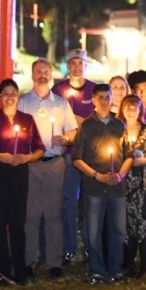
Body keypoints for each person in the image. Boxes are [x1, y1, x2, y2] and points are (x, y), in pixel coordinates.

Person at [0, 79, 45, 285]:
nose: (9, 97)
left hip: (19, 172)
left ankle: (20, 268)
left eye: (13, 93)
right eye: (5, 93)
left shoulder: (27, 120)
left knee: (17, 222)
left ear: (18, 96)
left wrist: (27, 158)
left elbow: (39, 148)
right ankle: (1, 271)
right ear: (0, 97)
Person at [18, 58, 78, 280]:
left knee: (54, 214)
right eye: (38, 71)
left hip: (55, 163)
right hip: (31, 164)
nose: (42, 74)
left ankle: (54, 261)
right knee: (31, 215)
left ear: (51, 74)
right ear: (32, 74)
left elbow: (73, 131)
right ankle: (29, 260)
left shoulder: (61, 103)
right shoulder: (23, 102)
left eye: (46, 71)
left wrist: (65, 138)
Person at [72, 83, 133, 284]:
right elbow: (77, 158)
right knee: (94, 231)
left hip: (117, 187)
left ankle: (116, 270)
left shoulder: (119, 125)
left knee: (118, 230)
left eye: (108, 97)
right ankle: (97, 271)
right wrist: (96, 175)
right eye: (101, 98)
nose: (105, 101)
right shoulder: (86, 126)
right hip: (94, 188)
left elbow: (129, 154)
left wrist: (121, 174)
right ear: (94, 99)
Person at [52, 48, 97, 265]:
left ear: (86, 66)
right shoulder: (58, 90)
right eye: (73, 63)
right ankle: (70, 248)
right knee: (69, 203)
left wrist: (79, 121)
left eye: (81, 63)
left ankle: (90, 247)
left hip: (90, 156)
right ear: (67, 66)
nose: (77, 67)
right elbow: (54, 119)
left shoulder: (95, 89)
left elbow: (98, 121)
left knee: (90, 203)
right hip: (68, 155)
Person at [120, 94, 146, 279]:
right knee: (128, 222)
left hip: (143, 180)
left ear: (140, 110)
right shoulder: (118, 129)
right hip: (125, 180)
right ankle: (129, 263)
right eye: (127, 107)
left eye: (134, 107)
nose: (131, 110)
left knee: (143, 220)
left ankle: (144, 263)